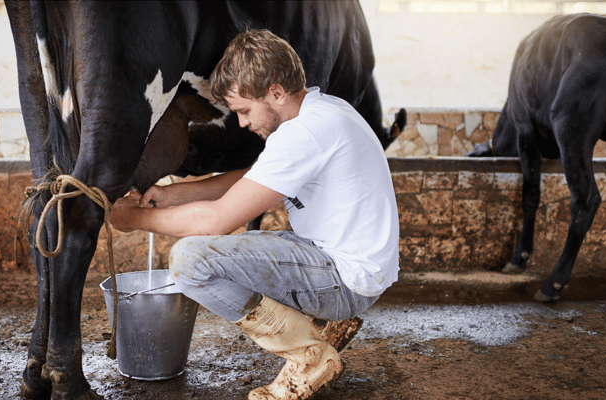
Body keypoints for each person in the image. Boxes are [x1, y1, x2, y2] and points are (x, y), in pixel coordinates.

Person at [109, 29, 399, 400]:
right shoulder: (322, 112)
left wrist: (133, 220)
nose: (243, 123)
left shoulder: (305, 134)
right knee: (228, 251)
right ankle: (313, 330)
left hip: (344, 278)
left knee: (191, 260)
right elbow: (250, 178)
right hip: (344, 263)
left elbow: (216, 222)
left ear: (277, 93)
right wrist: (171, 195)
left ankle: (309, 353)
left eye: (245, 111)